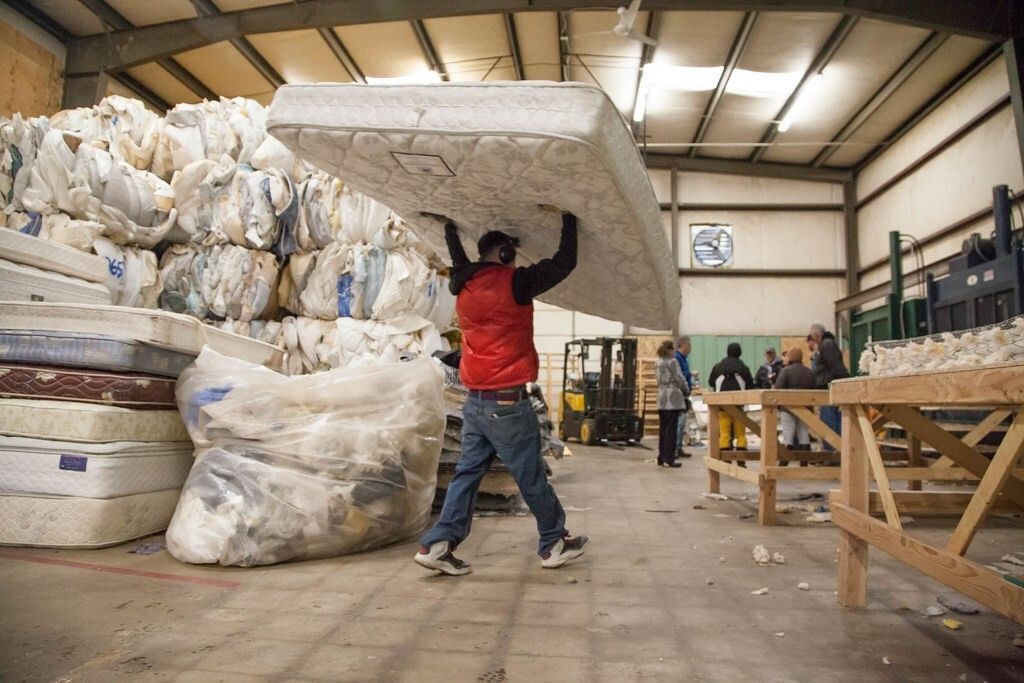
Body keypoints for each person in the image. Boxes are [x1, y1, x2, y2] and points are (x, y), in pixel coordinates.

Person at [414, 207, 588, 576]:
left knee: (467, 474)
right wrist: (569, 218)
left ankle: (439, 545)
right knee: (530, 474)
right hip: (506, 401)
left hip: (475, 400)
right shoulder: (516, 283)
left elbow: (458, 259)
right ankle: (554, 541)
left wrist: (448, 227)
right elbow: (565, 262)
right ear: (506, 254)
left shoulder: (463, 282)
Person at [808, 323, 849, 451]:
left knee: (830, 422)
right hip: (827, 388)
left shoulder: (827, 345)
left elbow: (836, 367)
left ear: (816, 334)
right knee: (829, 421)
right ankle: (834, 451)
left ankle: (833, 452)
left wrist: (841, 384)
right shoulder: (825, 345)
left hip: (830, 389)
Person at [708, 343, 755, 451]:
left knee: (724, 433)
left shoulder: (718, 366)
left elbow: (711, 382)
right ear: (740, 352)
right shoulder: (743, 367)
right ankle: (741, 456)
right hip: (740, 406)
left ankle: (725, 456)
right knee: (740, 434)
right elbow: (750, 385)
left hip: (722, 406)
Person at [774, 348, 817, 456]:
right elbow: (814, 388)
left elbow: (778, 389)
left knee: (788, 435)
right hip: (806, 408)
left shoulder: (785, 371)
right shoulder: (809, 372)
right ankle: (805, 461)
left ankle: (786, 460)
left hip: (788, 408)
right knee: (803, 434)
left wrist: (779, 406)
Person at [655, 340, 689, 468]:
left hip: (661, 397)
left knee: (663, 429)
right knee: (671, 430)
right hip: (672, 398)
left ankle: (661, 457)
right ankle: (669, 459)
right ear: (670, 350)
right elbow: (679, 378)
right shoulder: (672, 362)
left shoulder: (657, 362)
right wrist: (686, 390)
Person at [674, 336, 694, 458]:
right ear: (683, 345)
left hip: (684, 394)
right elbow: (679, 376)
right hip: (679, 395)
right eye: (689, 345)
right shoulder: (677, 359)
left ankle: (679, 447)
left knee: (681, 423)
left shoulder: (684, 359)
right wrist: (690, 374)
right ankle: (675, 448)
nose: (691, 348)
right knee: (679, 423)